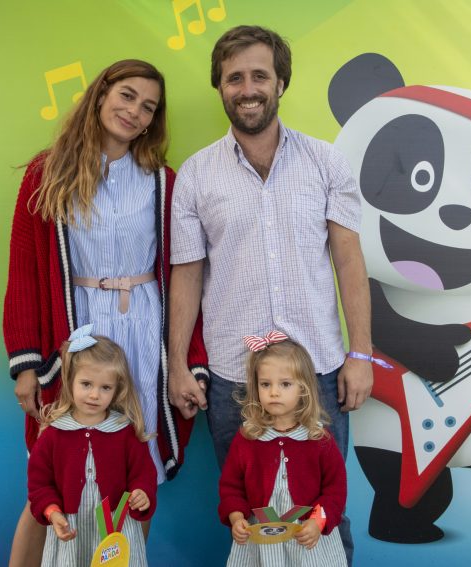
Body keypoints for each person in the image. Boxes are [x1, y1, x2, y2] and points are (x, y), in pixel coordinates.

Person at [168, 25, 371, 564]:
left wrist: (361, 354)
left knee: (326, 517)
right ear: (220, 87)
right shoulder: (195, 176)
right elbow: (186, 275)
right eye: (234, 78)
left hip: (318, 372)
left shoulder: (326, 163)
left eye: (259, 75)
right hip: (233, 378)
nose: (247, 88)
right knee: (248, 517)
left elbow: (350, 262)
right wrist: (177, 366)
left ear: (281, 82)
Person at [3, 59, 208, 566]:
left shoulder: (163, 181)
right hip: (77, 331)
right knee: (53, 478)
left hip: (143, 331)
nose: (135, 111)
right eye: (127, 96)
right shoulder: (46, 173)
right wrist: (26, 363)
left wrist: (187, 361)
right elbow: (24, 272)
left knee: (136, 476)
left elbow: (186, 274)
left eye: (149, 107)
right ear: (100, 95)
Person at [28, 326, 156, 566]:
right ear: (70, 381)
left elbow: (144, 473)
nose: (95, 395)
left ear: (117, 389)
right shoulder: (54, 434)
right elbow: (39, 484)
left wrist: (142, 492)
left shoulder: (124, 431)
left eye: (105, 387)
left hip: (115, 532)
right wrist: (52, 512)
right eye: (86, 384)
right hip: (71, 530)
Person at [219, 332, 347, 566]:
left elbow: (335, 491)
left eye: (285, 384)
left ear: (303, 388)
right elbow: (231, 487)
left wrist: (317, 522)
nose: (274, 392)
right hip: (260, 542)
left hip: (308, 540)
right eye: (265, 384)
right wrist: (236, 518)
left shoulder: (319, 439)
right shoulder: (247, 437)